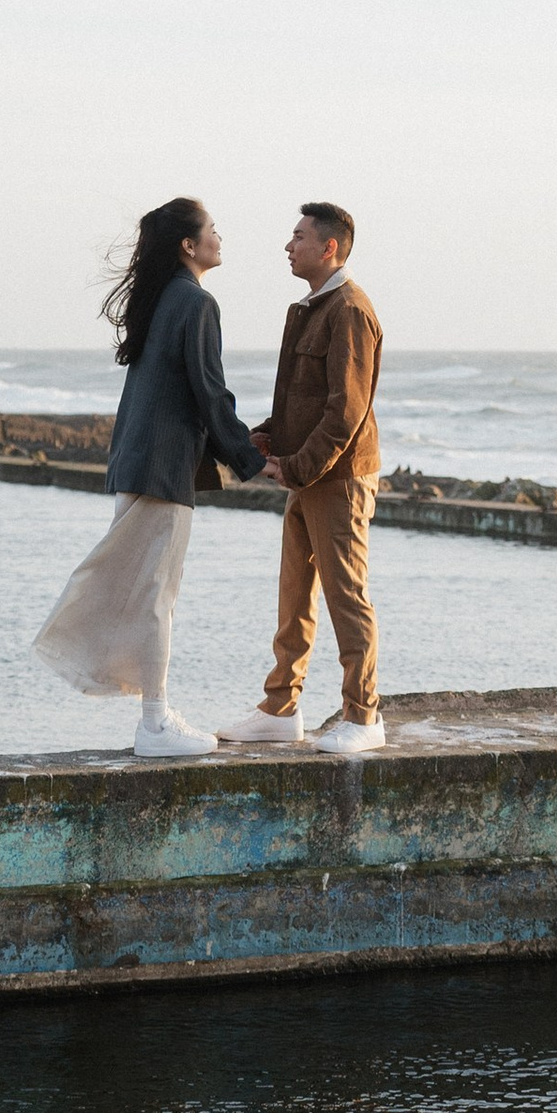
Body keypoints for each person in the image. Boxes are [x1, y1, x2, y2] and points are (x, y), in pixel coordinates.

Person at [33, 196, 265, 759]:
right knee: (157, 596)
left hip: (138, 463)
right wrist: (254, 460)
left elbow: (176, 393)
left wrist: (239, 451)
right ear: (189, 245)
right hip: (163, 471)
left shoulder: (160, 300)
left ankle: (154, 713)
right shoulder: (196, 303)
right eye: (212, 229)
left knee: (139, 591)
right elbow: (210, 393)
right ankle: (155, 724)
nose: (219, 236)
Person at [220, 202, 385, 756]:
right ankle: (280, 707)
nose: (288, 246)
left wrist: (294, 468)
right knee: (295, 595)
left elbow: (346, 411)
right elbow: (301, 402)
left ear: (329, 247)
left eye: (297, 237)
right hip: (309, 477)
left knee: (346, 595)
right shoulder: (310, 308)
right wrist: (265, 437)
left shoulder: (350, 310)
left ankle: (364, 715)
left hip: (338, 479)